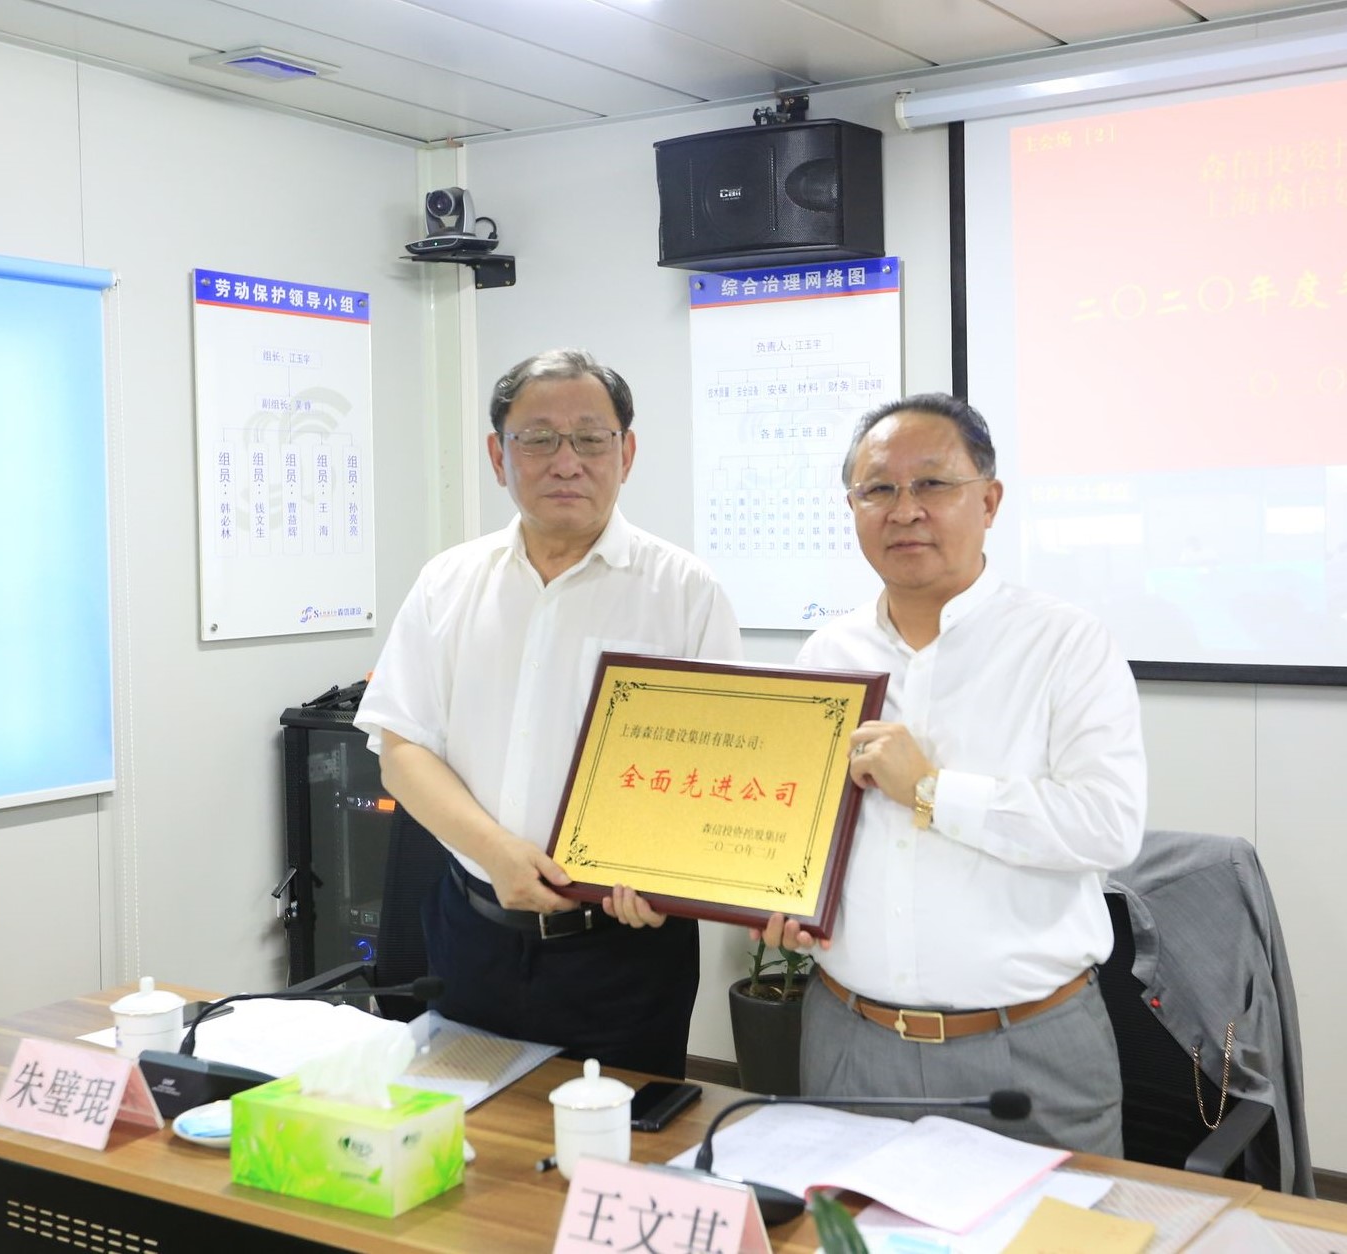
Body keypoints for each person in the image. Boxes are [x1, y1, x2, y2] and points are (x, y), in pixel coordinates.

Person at [762, 392, 1146, 1154]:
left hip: (1026, 1049)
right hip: (848, 1039)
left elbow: (1108, 826)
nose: (904, 510)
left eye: (932, 484)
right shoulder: (826, 655)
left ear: (989, 501)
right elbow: (803, 829)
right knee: (843, 1221)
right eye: (877, 489)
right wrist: (784, 900)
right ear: (852, 508)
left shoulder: (1065, 644)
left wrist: (932, 792)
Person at [355, 348, 741, 1078]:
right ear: (497, 456)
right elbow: (402, 749)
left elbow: (717, 769)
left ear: (626, 453)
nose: (567, 461)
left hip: (625, 948)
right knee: (472, 1127)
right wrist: (498, 853)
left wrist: (664, 874)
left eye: (591, 438)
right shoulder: (447, 582)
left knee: (622, 1131)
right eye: (538, 439)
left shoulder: (685, 592)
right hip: (471, 929)